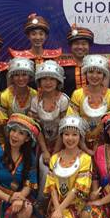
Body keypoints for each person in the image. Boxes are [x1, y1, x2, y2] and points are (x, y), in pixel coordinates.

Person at [42, 115, 92, 218]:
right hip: (56, 205)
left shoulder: (85, 159)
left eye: (74, 134)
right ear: (61, 136)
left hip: (74, 206)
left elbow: (78, 189)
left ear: (80, 136)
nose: (70, 138)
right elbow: (52, 186)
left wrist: (60, 209)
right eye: (66, 134)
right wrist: (56, 209)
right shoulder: (54, 158)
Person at [29, 60, 70, 199]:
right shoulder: (35, 101)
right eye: (44, 79)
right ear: (39, 81)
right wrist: (45, 151)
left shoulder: (63, 100)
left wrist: (55, 152)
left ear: (58, 81)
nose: (48, 82)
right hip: (41, 144)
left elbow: (64, 129)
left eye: (52, 79)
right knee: (41, 170)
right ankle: (41, 202)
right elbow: (37, 128)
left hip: (63, 143)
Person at [67, 55, 110, 154]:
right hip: (79, 144)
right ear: (85, 74)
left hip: (106, 145)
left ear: (104, 75)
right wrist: (84, 147)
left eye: (99, 73)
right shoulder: (77, 94)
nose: (94, 76)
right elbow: (72, 124)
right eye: (91, 72)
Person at [0, 57, 37, 143]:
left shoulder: (34, 94)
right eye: (17, 75)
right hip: (9, 138)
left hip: (29, 138)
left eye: (24, 75)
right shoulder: (4, 95)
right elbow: (2, 124)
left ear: (30, 76)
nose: (21, 78)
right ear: (12, 77)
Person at [58, 25, 94, 96]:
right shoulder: (62, 67)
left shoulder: (95, 66)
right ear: (70, 46)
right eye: (76, 44)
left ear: (89, 46)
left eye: (84, 44)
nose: (80, 47)